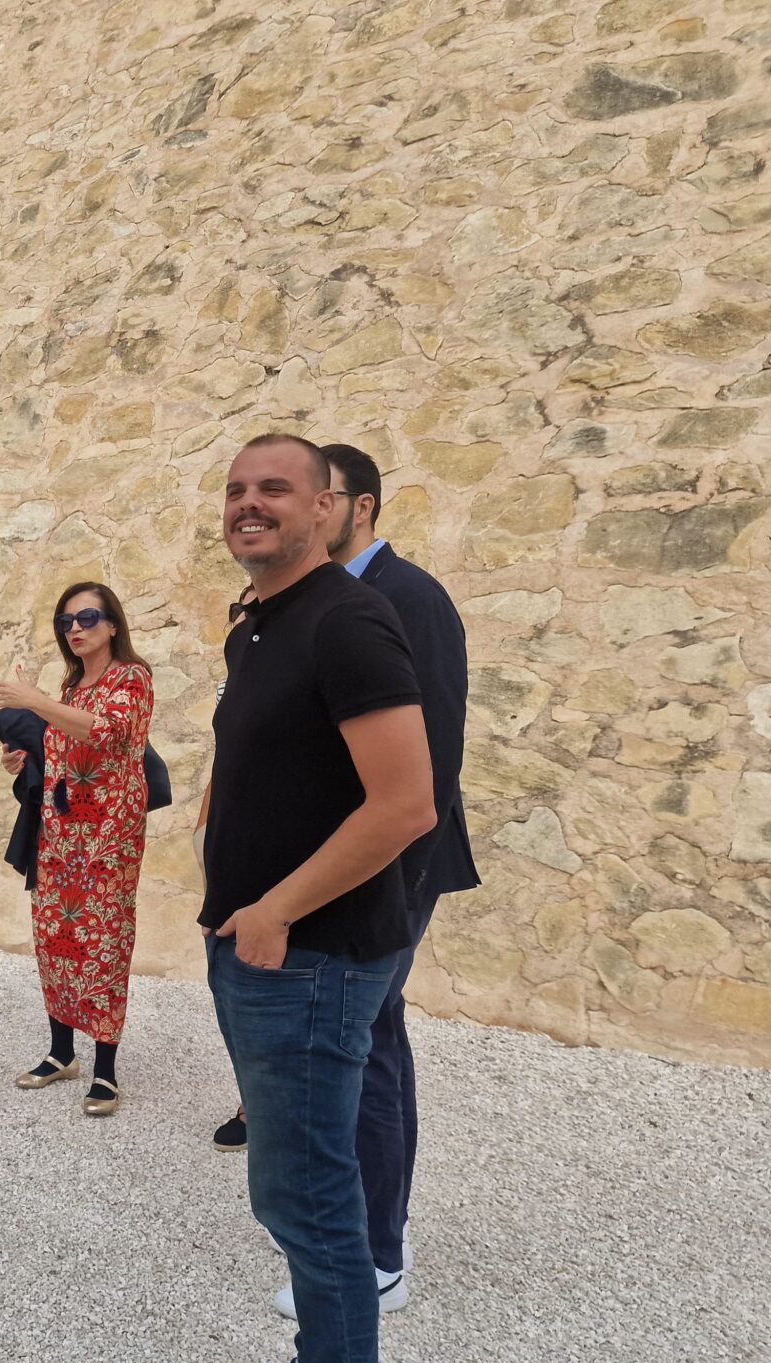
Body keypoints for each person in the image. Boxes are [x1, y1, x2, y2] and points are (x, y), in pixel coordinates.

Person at [194, 434, 435, 1363]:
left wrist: (276, 909)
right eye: (236, 489)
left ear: (328, 507)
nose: (249, 505)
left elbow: (405, 804)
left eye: (275, 490)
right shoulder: (262, 621)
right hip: (268, 952)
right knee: (293, 1196)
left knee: (315, 1204)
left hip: (311, 958)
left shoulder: (346, 619)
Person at [249, 441, 475, 1318]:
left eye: (318, 494)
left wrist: (389, 891)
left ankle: (378, 1252)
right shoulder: (313, 600)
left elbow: (432, 766)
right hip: (340, 871)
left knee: (366, 1044)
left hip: (389, 872)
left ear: (358, 506)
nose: (298, 510)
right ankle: (370, 1236)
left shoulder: (407, 598)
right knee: (367, 1041)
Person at [0, 582, 153, 1115]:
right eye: (66, 622)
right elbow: (61, 746)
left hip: (108, 841)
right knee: (55, 941)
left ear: (113, 624)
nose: (75, 629)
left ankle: (105, 1070)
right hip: (59, 837)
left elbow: (106, 733)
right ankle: (62, 1053)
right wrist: (22, 761)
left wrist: (34, 700)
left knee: (104, 944)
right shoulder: (72, 685)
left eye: (87, 618)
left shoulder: (132, 677)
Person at [204, 583, 254, 1154]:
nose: (243, 618)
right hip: (229, 845)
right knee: (225, 982)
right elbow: (225, 761)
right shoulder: (232, 684)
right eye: (238, 609)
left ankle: (257, 1105)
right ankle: (252, 1097)